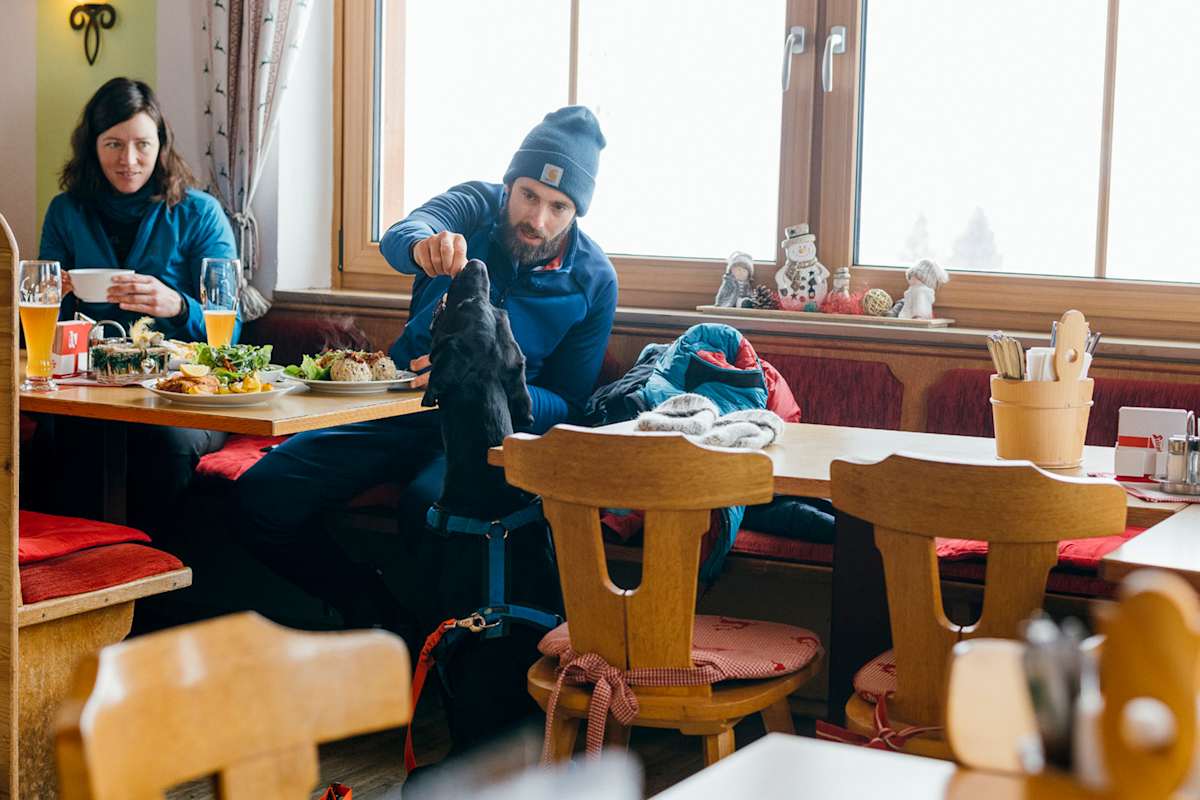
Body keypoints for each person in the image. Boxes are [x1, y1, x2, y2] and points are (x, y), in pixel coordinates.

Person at [234, 106, 617, 627]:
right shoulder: (476, 204)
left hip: (480, 438)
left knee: (428, 513)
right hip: (393, 406)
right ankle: (368, 607)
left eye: (559, 206)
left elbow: (568, 404)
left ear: (578, 212)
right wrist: (423, 244)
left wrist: (485, 382)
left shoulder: (595, 281)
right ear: (510, 186)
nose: (537, 220)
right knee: (258, 499)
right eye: (528, 195)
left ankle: (429, 662)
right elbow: (403, 232)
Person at [32, 77, 239, 531]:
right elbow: (43, 322)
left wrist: (178, 306)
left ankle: (161, 586)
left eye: (143, 144)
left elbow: (232, 330)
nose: (129, 160)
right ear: (93, 146)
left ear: (161, 144)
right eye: (114, 144)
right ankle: (79, 583)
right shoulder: (66, 212)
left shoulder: (199, 212)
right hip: (88, 390)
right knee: (56, 434)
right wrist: (57, 293)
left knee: (163, 444)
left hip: (180, 395)